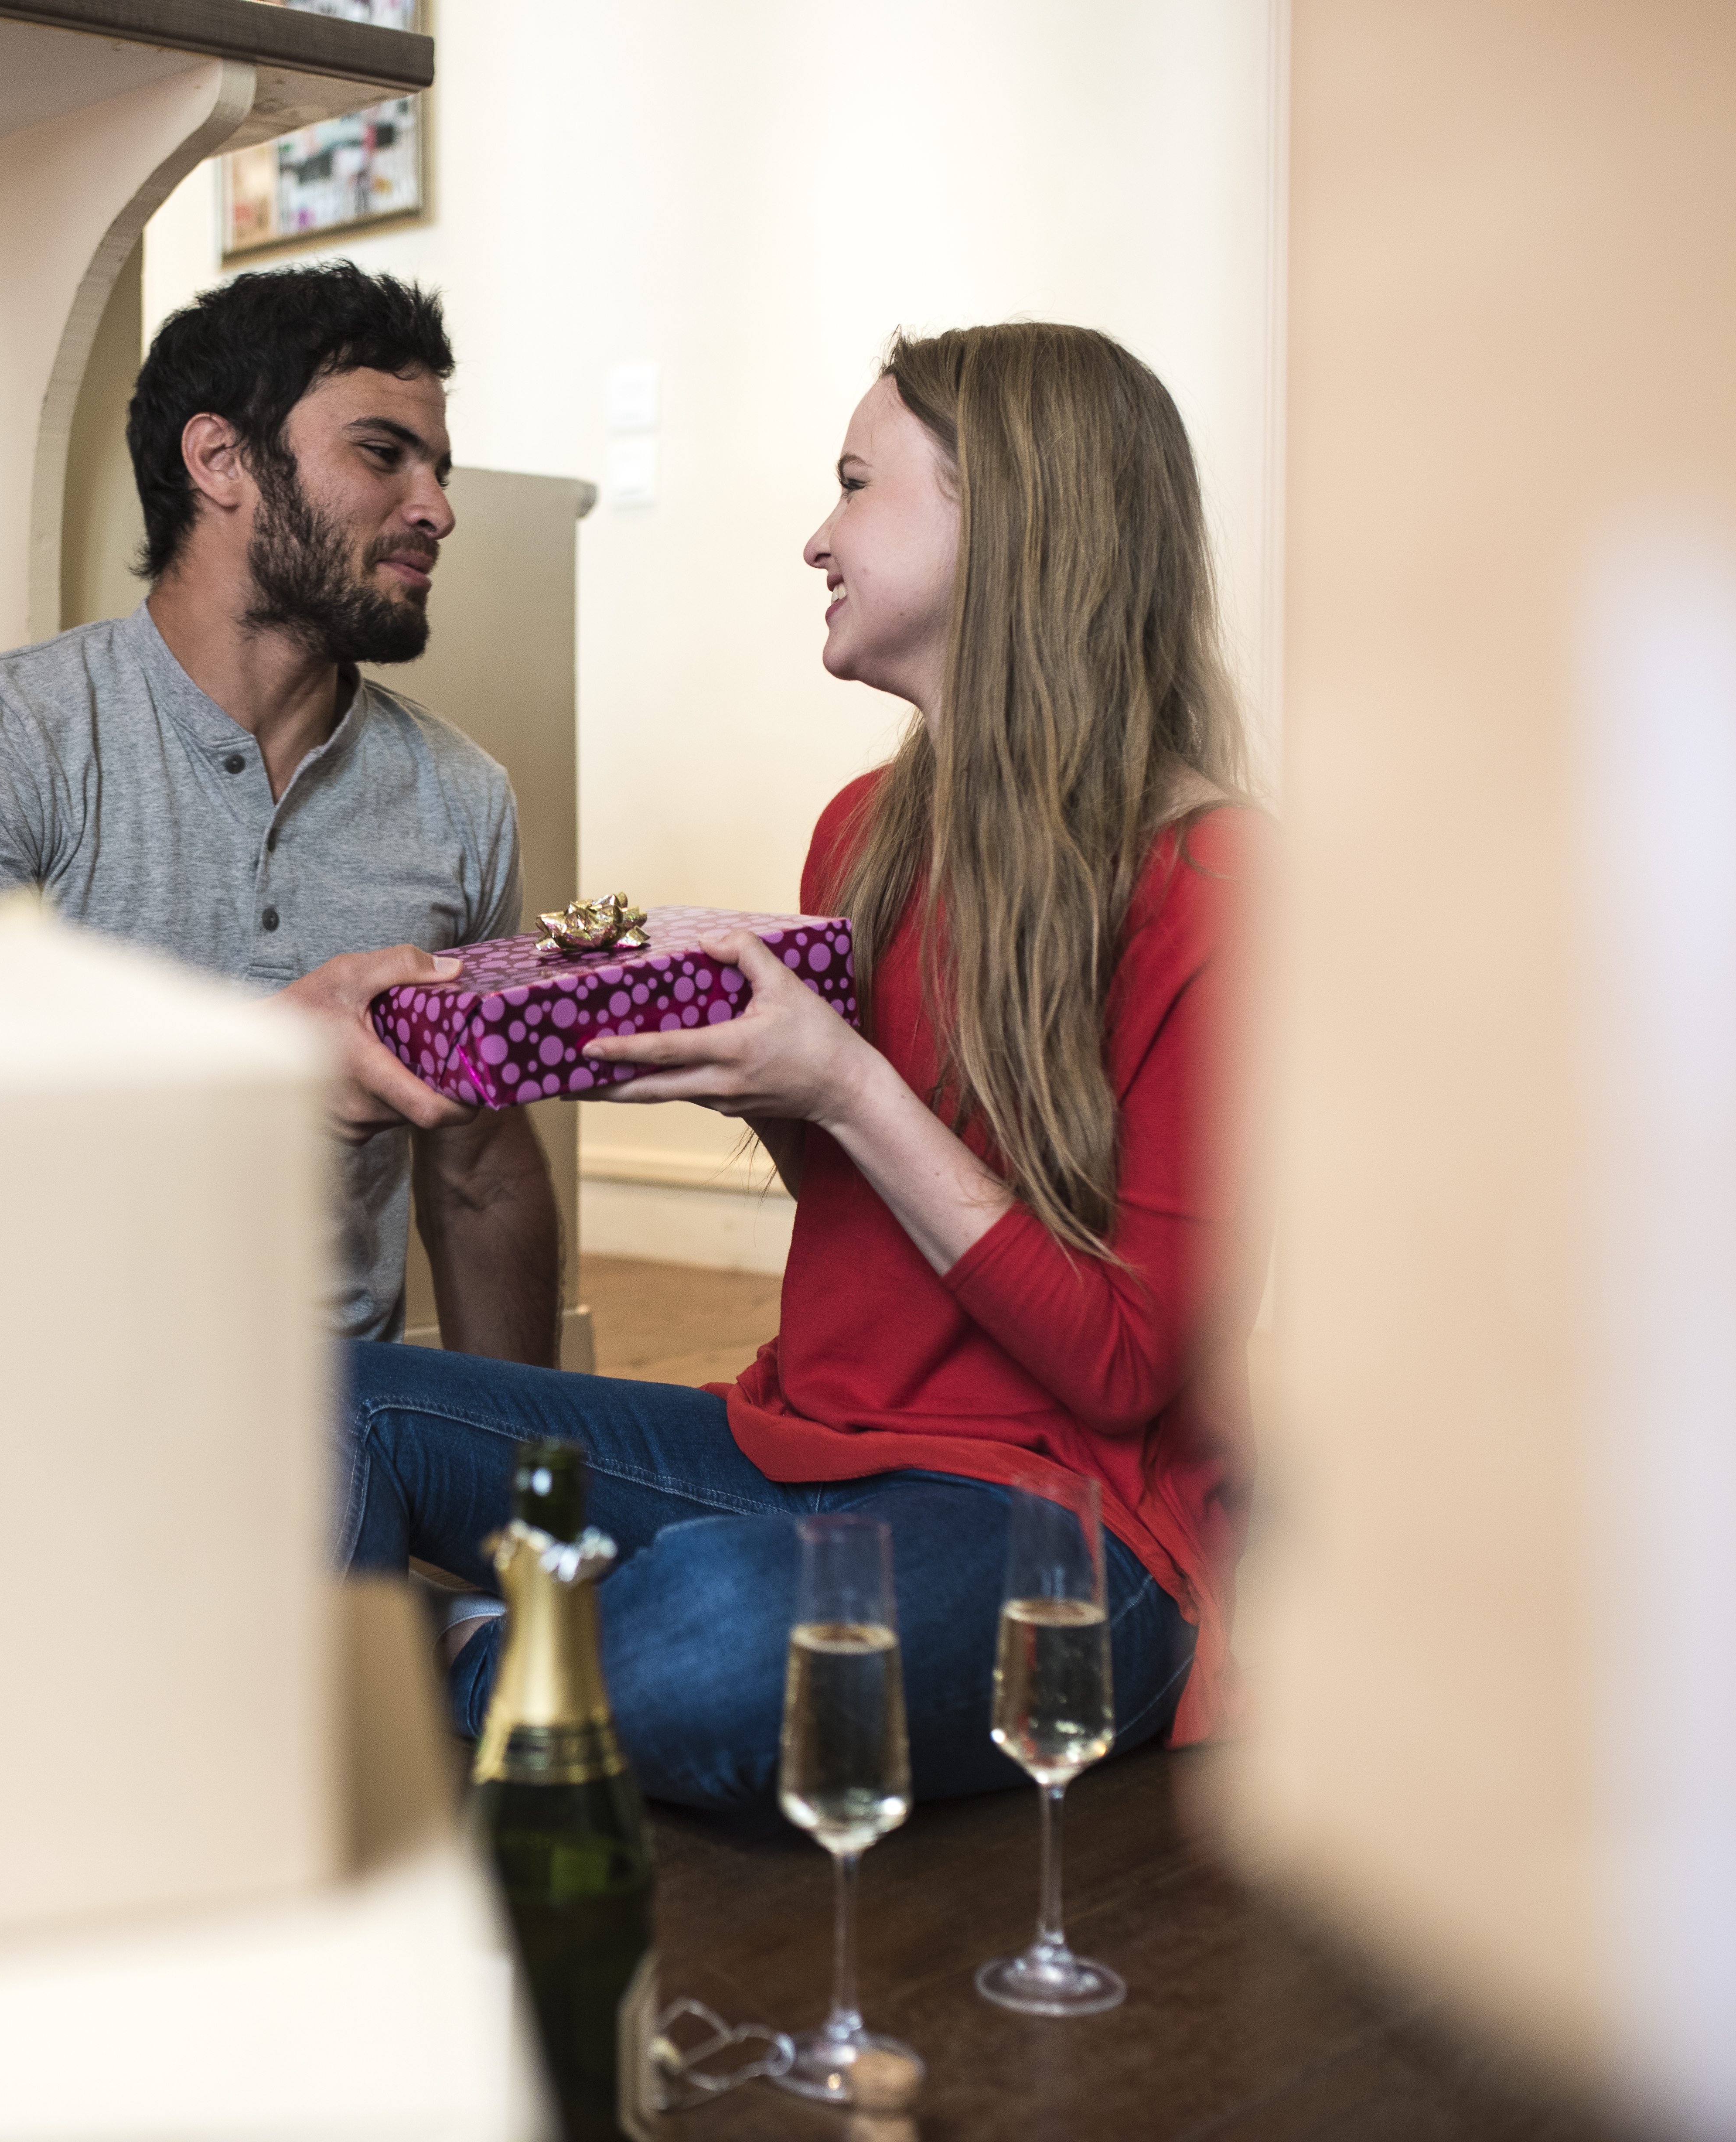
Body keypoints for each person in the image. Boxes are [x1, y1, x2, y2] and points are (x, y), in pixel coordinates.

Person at [341, 322, 1258, 1816]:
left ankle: (470, 1655)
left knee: (719, 1633)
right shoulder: (866, 828)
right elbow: (872, 1221)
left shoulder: (1221, 891)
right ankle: (516, 1667)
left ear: (1008, 518)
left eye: (856, 485)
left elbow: (1123, 1368)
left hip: (1067, 1525)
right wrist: (762, 1089)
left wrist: (839, 1084)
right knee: (334, 1402)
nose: (816, 537)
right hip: (803, 1452)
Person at [0, 265, 558, 1362]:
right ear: (219, 460)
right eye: (383, 454)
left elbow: (479, 1179)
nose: (436, 508)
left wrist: (520, 1492)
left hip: (335, 1415)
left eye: (437, 466)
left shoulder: (462, 794)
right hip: (40, 1388)